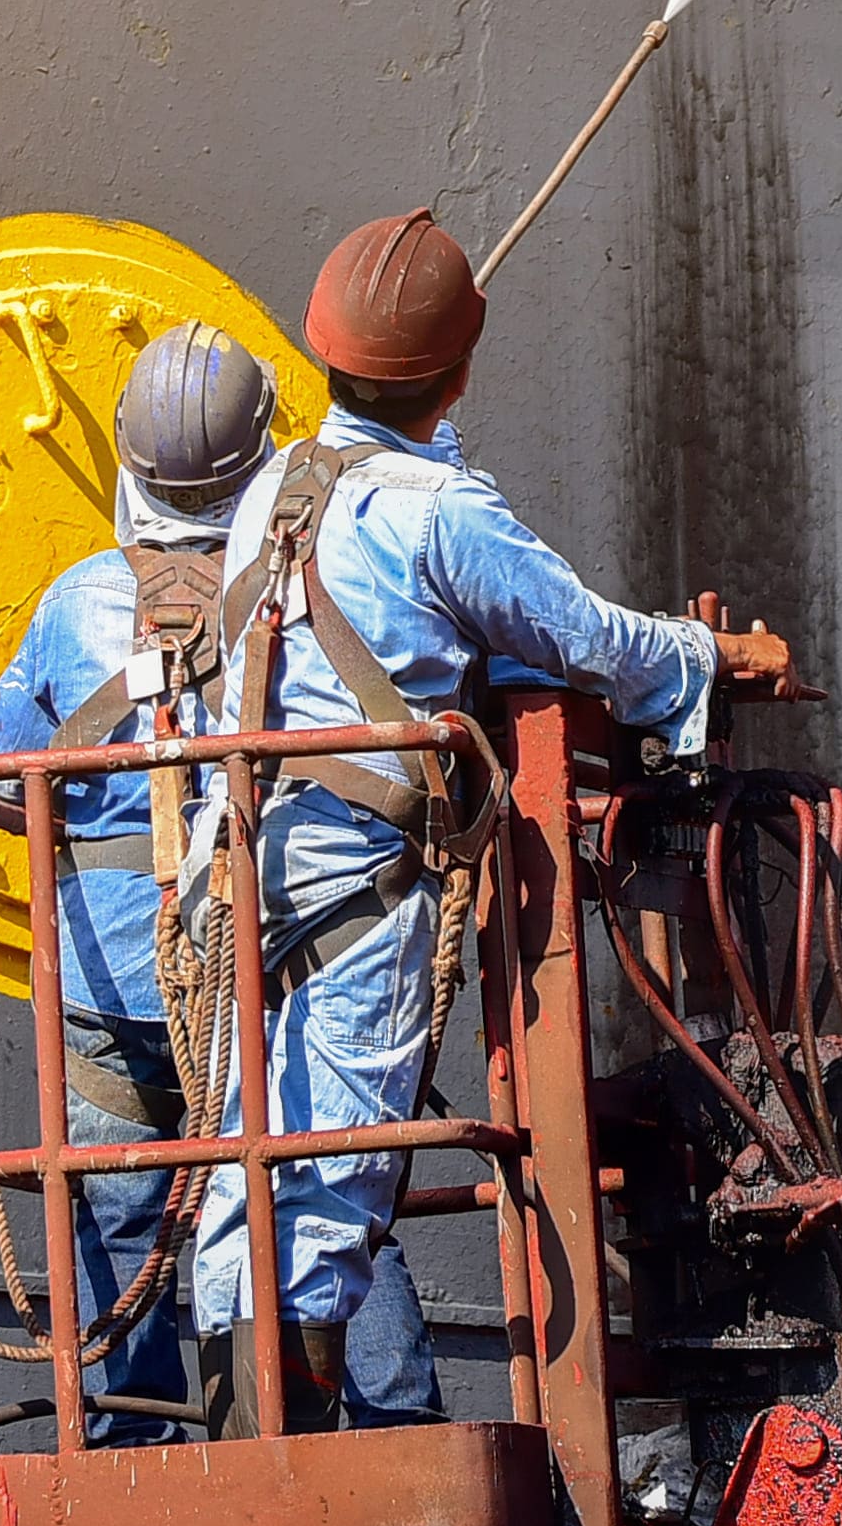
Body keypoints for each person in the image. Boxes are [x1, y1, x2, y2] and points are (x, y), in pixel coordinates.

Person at [209, 207, 792, 1424]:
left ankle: (236, 1412)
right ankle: (285, 1442)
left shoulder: (272, 488)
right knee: (341, 1151)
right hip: (365, 879)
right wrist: (713, 651)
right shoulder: (441, 514)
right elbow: (585, 637)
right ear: (461, 367)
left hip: (251, 862)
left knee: (254, 1137)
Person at [0, 320, 282, 1440]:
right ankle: (300, 1437)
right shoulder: (288, 606)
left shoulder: (72, 605)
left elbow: (4, 786)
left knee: (118, 1224)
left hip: (108, 979)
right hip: (249, 975)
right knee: (294, 1193)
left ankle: (133, 1450)